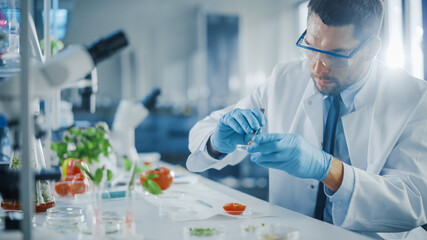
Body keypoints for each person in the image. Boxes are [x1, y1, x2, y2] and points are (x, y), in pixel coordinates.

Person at [186, 0, 427, 239]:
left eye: (336, 55)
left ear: (371, 49)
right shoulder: (285, 78)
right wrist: (218, 142)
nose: (318, 68)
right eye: (311, 47)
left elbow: (415, 201)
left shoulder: (414, 98)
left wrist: (328, 169)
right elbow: (204, 130)